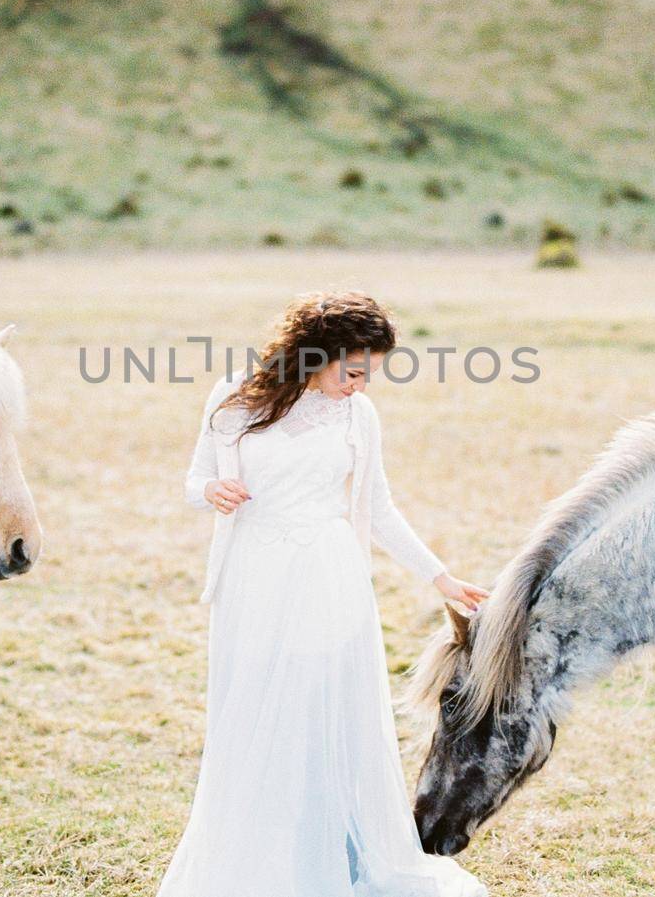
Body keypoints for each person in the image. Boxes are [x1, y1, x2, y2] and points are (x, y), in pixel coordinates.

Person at [159, 290, 490, 897]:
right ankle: (261, 856)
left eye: (371, 375)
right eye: (355, 371)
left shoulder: (357, 417)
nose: (362, 386)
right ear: (317, 354)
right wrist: (211, 492)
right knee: (254, 710)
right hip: (253, 576)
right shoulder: (237, 396)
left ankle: (337, 850)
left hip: (327, 576)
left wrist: (439, 576)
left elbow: (379, 507)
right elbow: (194, 476)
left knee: (323, 708)